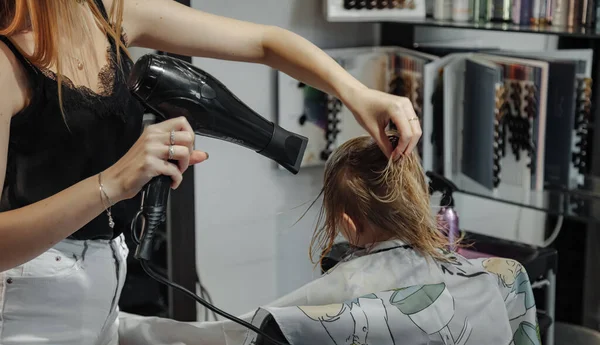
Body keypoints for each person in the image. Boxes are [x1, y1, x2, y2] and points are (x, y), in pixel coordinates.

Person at [0, 0, 422, 344]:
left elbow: (265, 42)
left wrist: (358, 94)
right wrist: (113, 182)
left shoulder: (108, 12)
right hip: (28, 307)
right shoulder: (5, 59)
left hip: (105, 285)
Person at [117, 133, 541, 345]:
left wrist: (121, 327)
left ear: (347, 224)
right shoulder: (494, 278)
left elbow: (231, 336)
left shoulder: (342, 296)